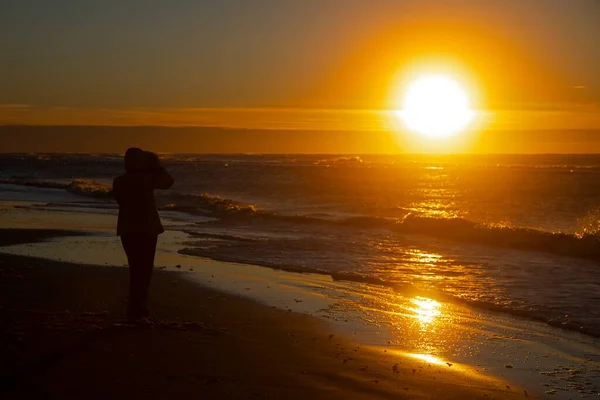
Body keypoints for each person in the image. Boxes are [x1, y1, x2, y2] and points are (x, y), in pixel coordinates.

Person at [113, 148, 174, 320]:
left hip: (127, 228)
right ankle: (138, 308)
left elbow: (121, 200)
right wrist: (157, 166)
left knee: (135, 268)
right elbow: (168, 182)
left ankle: (135, 307)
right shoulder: (147, 179)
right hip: (147, 228)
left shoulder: (118, 181)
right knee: (145, 269)